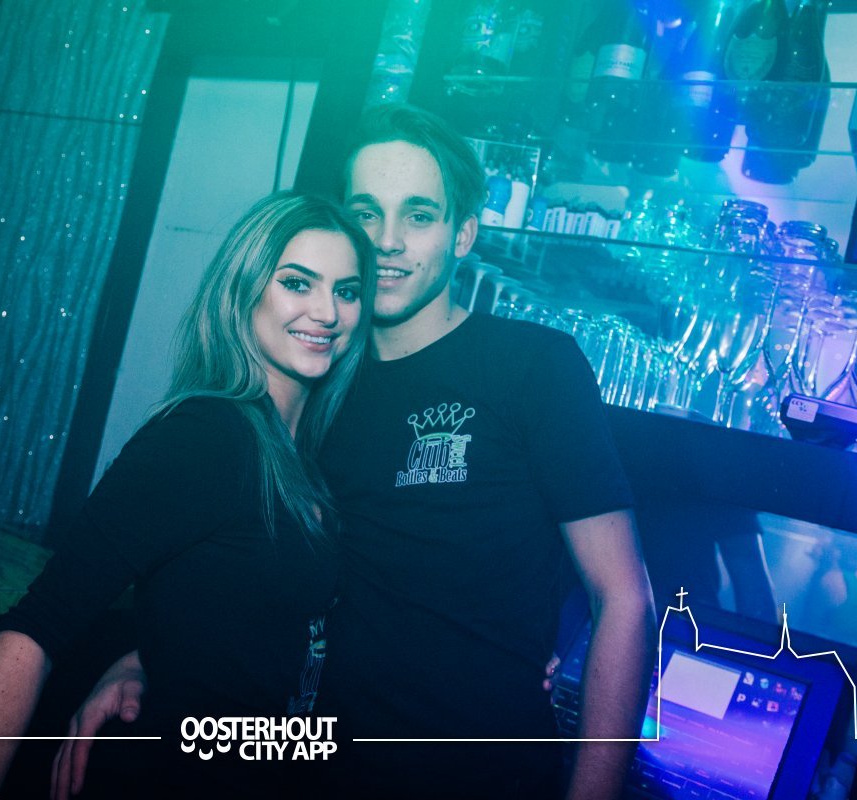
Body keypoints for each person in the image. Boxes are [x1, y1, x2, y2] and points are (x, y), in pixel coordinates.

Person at [56, 104, 655, 799]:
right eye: (367, 213)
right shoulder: (313, 378)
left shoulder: (533, 368)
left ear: (463, 233)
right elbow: (245, 575)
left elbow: (623, 598)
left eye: (419, 215)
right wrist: (146, 656)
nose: (388, 242)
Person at [0, 191, 376, 800]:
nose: (326, 311)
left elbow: (234, 622)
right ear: (242, 291)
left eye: (346, 291)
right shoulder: (202, 436)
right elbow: (36, 628)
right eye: (297, 283)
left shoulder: (305, 454)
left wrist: (143, 656)